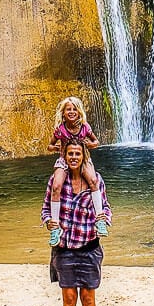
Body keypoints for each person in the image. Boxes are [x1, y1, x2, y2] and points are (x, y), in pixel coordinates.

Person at [41, 139, 112, 306]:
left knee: (89, 299)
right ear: (65, 156)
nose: (73, 157)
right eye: (70, 154)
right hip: (65, 248)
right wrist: (48, 221)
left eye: (77, 154)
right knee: (69, 299)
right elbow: (45, 209)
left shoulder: (96, 180)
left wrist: (103, 221)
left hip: (89, 246)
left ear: (83, 157)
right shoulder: (56, 181)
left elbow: (106, 208)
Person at [46, 96, 108, 246]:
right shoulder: (60, 129)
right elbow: (50, 145)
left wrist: (90, 144)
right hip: (64, 159)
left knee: (93, 181)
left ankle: (100, 220)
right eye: (68, 109)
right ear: (63, 112)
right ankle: (55, 227)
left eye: (74, 109)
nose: (72, 112)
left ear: (79, 112)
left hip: (83, 159)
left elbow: (96, 142)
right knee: (56, 186)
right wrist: (55, 148)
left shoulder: (85, 127)